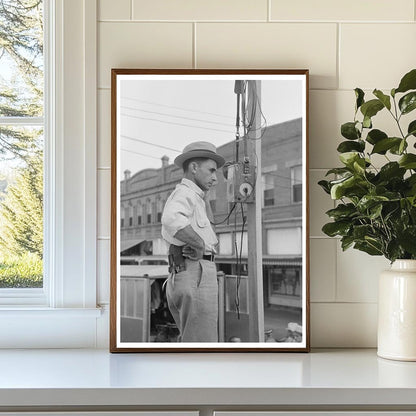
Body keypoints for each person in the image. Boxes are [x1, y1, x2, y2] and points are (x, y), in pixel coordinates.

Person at [161, 141, 225, 342]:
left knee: (193, 340)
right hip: (196, 271)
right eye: (211, 170)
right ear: (194, 168)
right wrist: (198, 245)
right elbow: (171, 219)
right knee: (202, 344)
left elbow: (210, 234)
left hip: (192, 271)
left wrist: (205, 198)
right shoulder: (186, 193)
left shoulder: (195, 196)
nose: (215, 178)